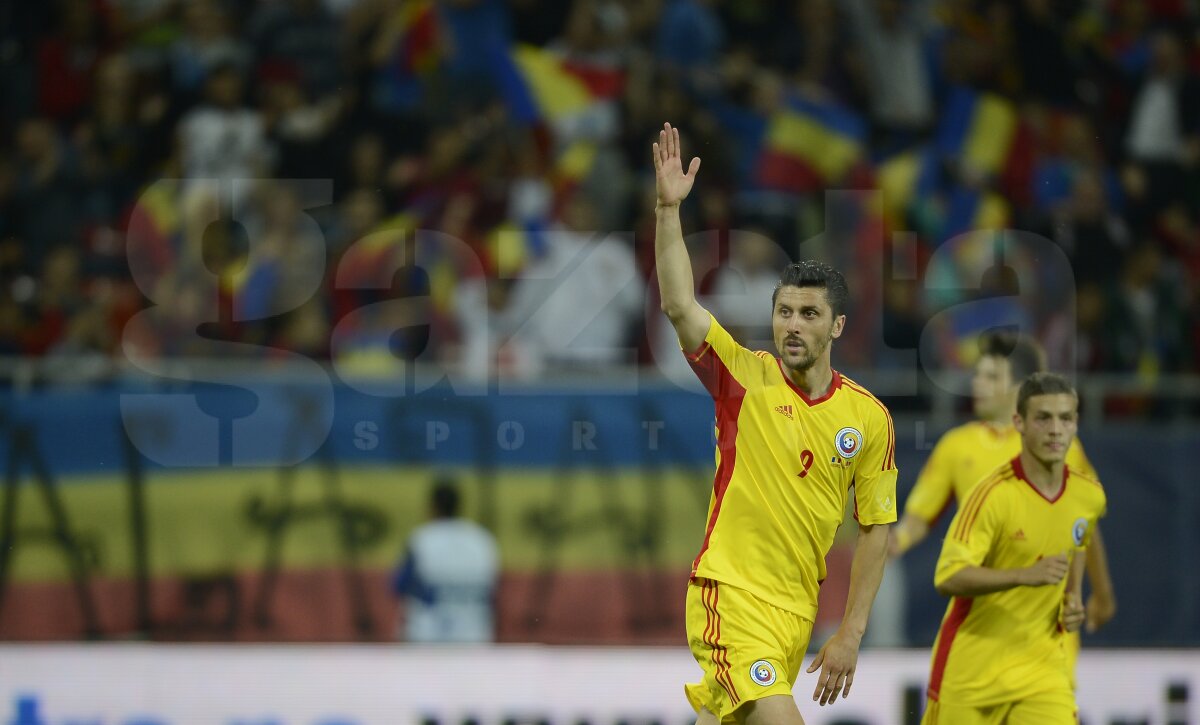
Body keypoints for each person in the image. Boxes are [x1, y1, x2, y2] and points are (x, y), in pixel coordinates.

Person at [652, 122, 897, 723]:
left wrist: (852, 630)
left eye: (809, 313)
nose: (792, 324)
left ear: (836, 327)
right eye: (784, 311)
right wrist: (666, 209)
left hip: (797, 614)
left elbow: (875, 528)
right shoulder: (743, 377)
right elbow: (680, 305)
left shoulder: (867, 418)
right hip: (732, 595)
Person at [890, 332, 1117, 678]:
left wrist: (1101, 592)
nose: (977, 383)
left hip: (1045, 625)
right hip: (981, 618)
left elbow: (1086, 524)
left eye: (991, 376)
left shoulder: (1062, 447)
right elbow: (920, 515)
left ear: (1021, 387)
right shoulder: (958, 445)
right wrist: (897, 541)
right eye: (978, 374)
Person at [922, 373, 1106, 724]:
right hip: (972, 672)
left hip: (1042, 673)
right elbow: (948, 576)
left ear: (1076, 424)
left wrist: (1073, 597)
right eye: (1043, 418)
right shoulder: (991, 495)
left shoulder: (1089, 495)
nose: (1055, 430)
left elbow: (1078, 537)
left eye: (1065, 418)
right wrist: (1024, 575)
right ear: (1019, 422)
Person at [392, 477, 499, 643]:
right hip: (474, 639)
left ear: (433, 507)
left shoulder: (423, 538)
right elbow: (494, 590)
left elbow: (398, 585)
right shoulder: (481, 539)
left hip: (427, 640)